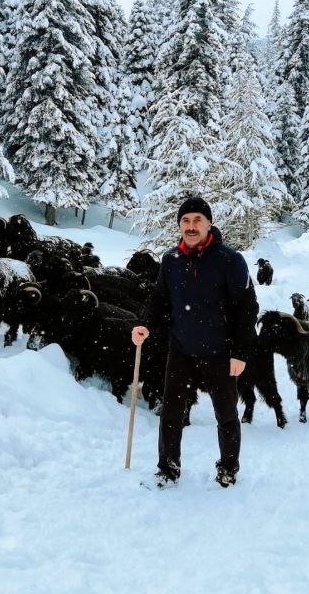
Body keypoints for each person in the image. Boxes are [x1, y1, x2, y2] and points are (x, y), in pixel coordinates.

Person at [132, 196, 258, 488]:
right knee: (171, 413)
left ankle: (228, 468)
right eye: (185, 221)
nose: (191, 226)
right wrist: (145, 324)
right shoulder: (170, 260)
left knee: (226, 415)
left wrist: (240, 352)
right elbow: (160, 300)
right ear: (179, 225)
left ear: (209, 223)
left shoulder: (230, 260)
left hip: (220, 352)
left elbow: (247, 308)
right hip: (182, 351)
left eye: (197, 220)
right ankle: (168, 468)